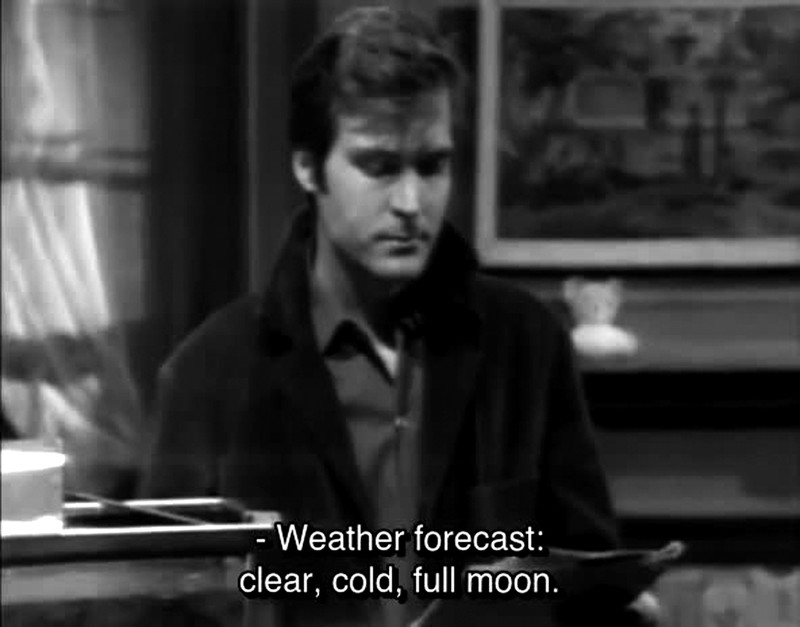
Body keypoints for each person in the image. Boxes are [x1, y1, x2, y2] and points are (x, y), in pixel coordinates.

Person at [139, 7, 659, 626]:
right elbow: (164, 609)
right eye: (380, 167)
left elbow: (588, 582)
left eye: (432, 166)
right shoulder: (209, 376)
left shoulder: (525, 346)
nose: (411, 202)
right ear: (308, 166)